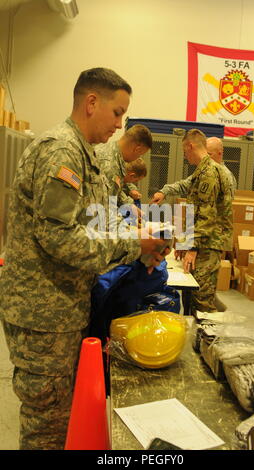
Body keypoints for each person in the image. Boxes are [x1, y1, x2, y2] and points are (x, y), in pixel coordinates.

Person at [0, 67, 168, 450]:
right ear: (92, 102)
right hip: (42, 317)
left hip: (61, 309)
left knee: (59, 418)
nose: (119, 124)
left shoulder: (83, 154)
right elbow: (60, 239)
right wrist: (133, 245)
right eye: (117, 112)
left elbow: (94, 223)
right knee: (47, 427)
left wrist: (141, 244)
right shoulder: (61, 151)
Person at [151, 129, 233, 314]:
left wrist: (192, 248)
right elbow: (192, 209)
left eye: (185, 152)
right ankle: (197, 337)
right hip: (202, 241)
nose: (185, 156)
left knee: (202, 300)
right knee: (194, 296)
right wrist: (186, 241)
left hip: (207, 244)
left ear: (190, 146)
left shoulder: (209, 172)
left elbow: (206, 214)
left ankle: (208, 341)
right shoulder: (202, 171)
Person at [95, 124, 152, 207]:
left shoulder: (109, 151)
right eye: (140, 154)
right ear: (137, 149)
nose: (138, 158)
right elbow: (106, 211)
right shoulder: (110, 166)